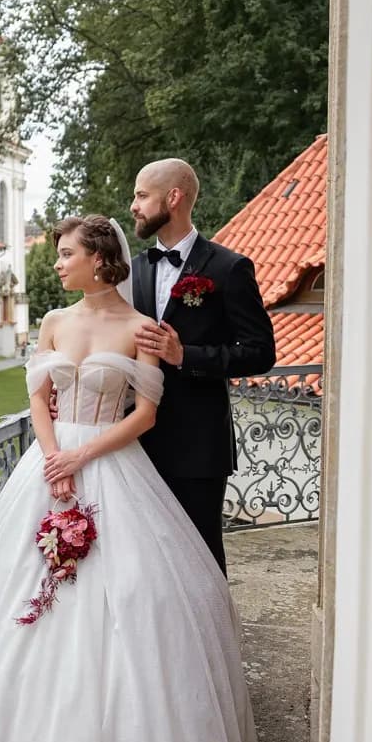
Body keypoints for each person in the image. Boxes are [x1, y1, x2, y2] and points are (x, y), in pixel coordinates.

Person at [0, 215, 261, 742]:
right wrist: (55, 459)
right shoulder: (54, 322)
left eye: (65, 254)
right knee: (18, 604)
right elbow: (36, 396)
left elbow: (146, 416)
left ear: (100, 259)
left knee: (130, 601)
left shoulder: (142, 328)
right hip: (47, 469)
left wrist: (83, 454)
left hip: (111, 463)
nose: (56, 263)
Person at [127, 158, 276, 574]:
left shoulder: (229, 269)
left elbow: (261, 352)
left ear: (173, 198)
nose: (134, 206)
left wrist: (185, 355)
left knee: (201, 560)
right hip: (134, 443)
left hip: (198, 447)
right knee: (145, 560)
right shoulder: (134, 271)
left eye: (141, 195)